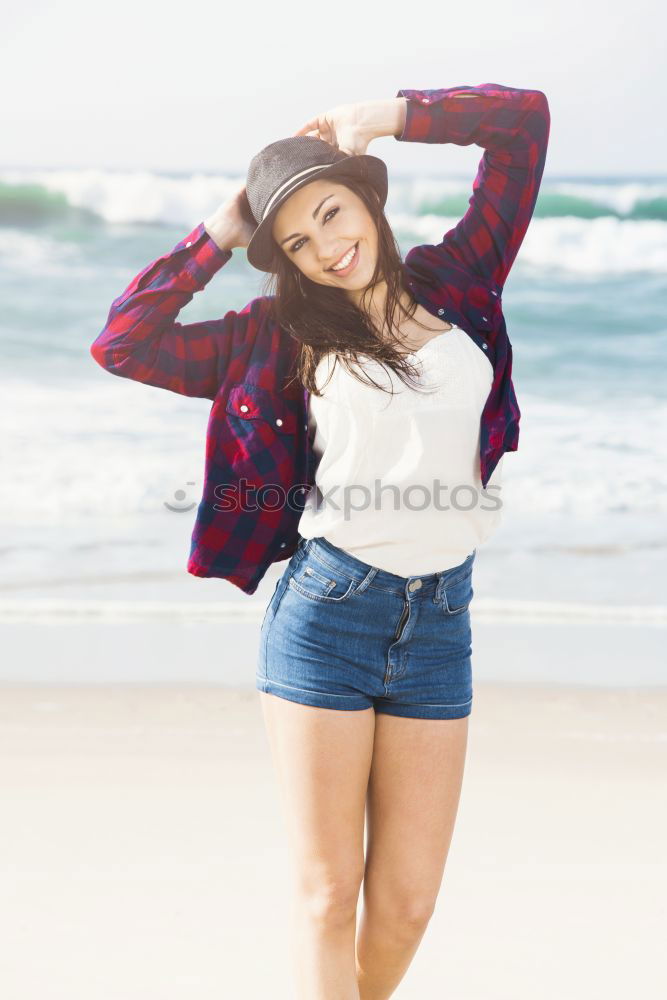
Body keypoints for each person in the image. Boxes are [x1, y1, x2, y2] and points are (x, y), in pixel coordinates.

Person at [91, 83, 550, 998]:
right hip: (328, 614)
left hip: (442, 619)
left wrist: (382, 117)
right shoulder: (275, 335)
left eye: (331, 212)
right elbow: (124, 343)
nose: (326, 247)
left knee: (408, 905)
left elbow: (522, 124)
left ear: (367, 200)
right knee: (330, 895)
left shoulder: (460, 278)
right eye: (297, 240)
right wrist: (221, 229)